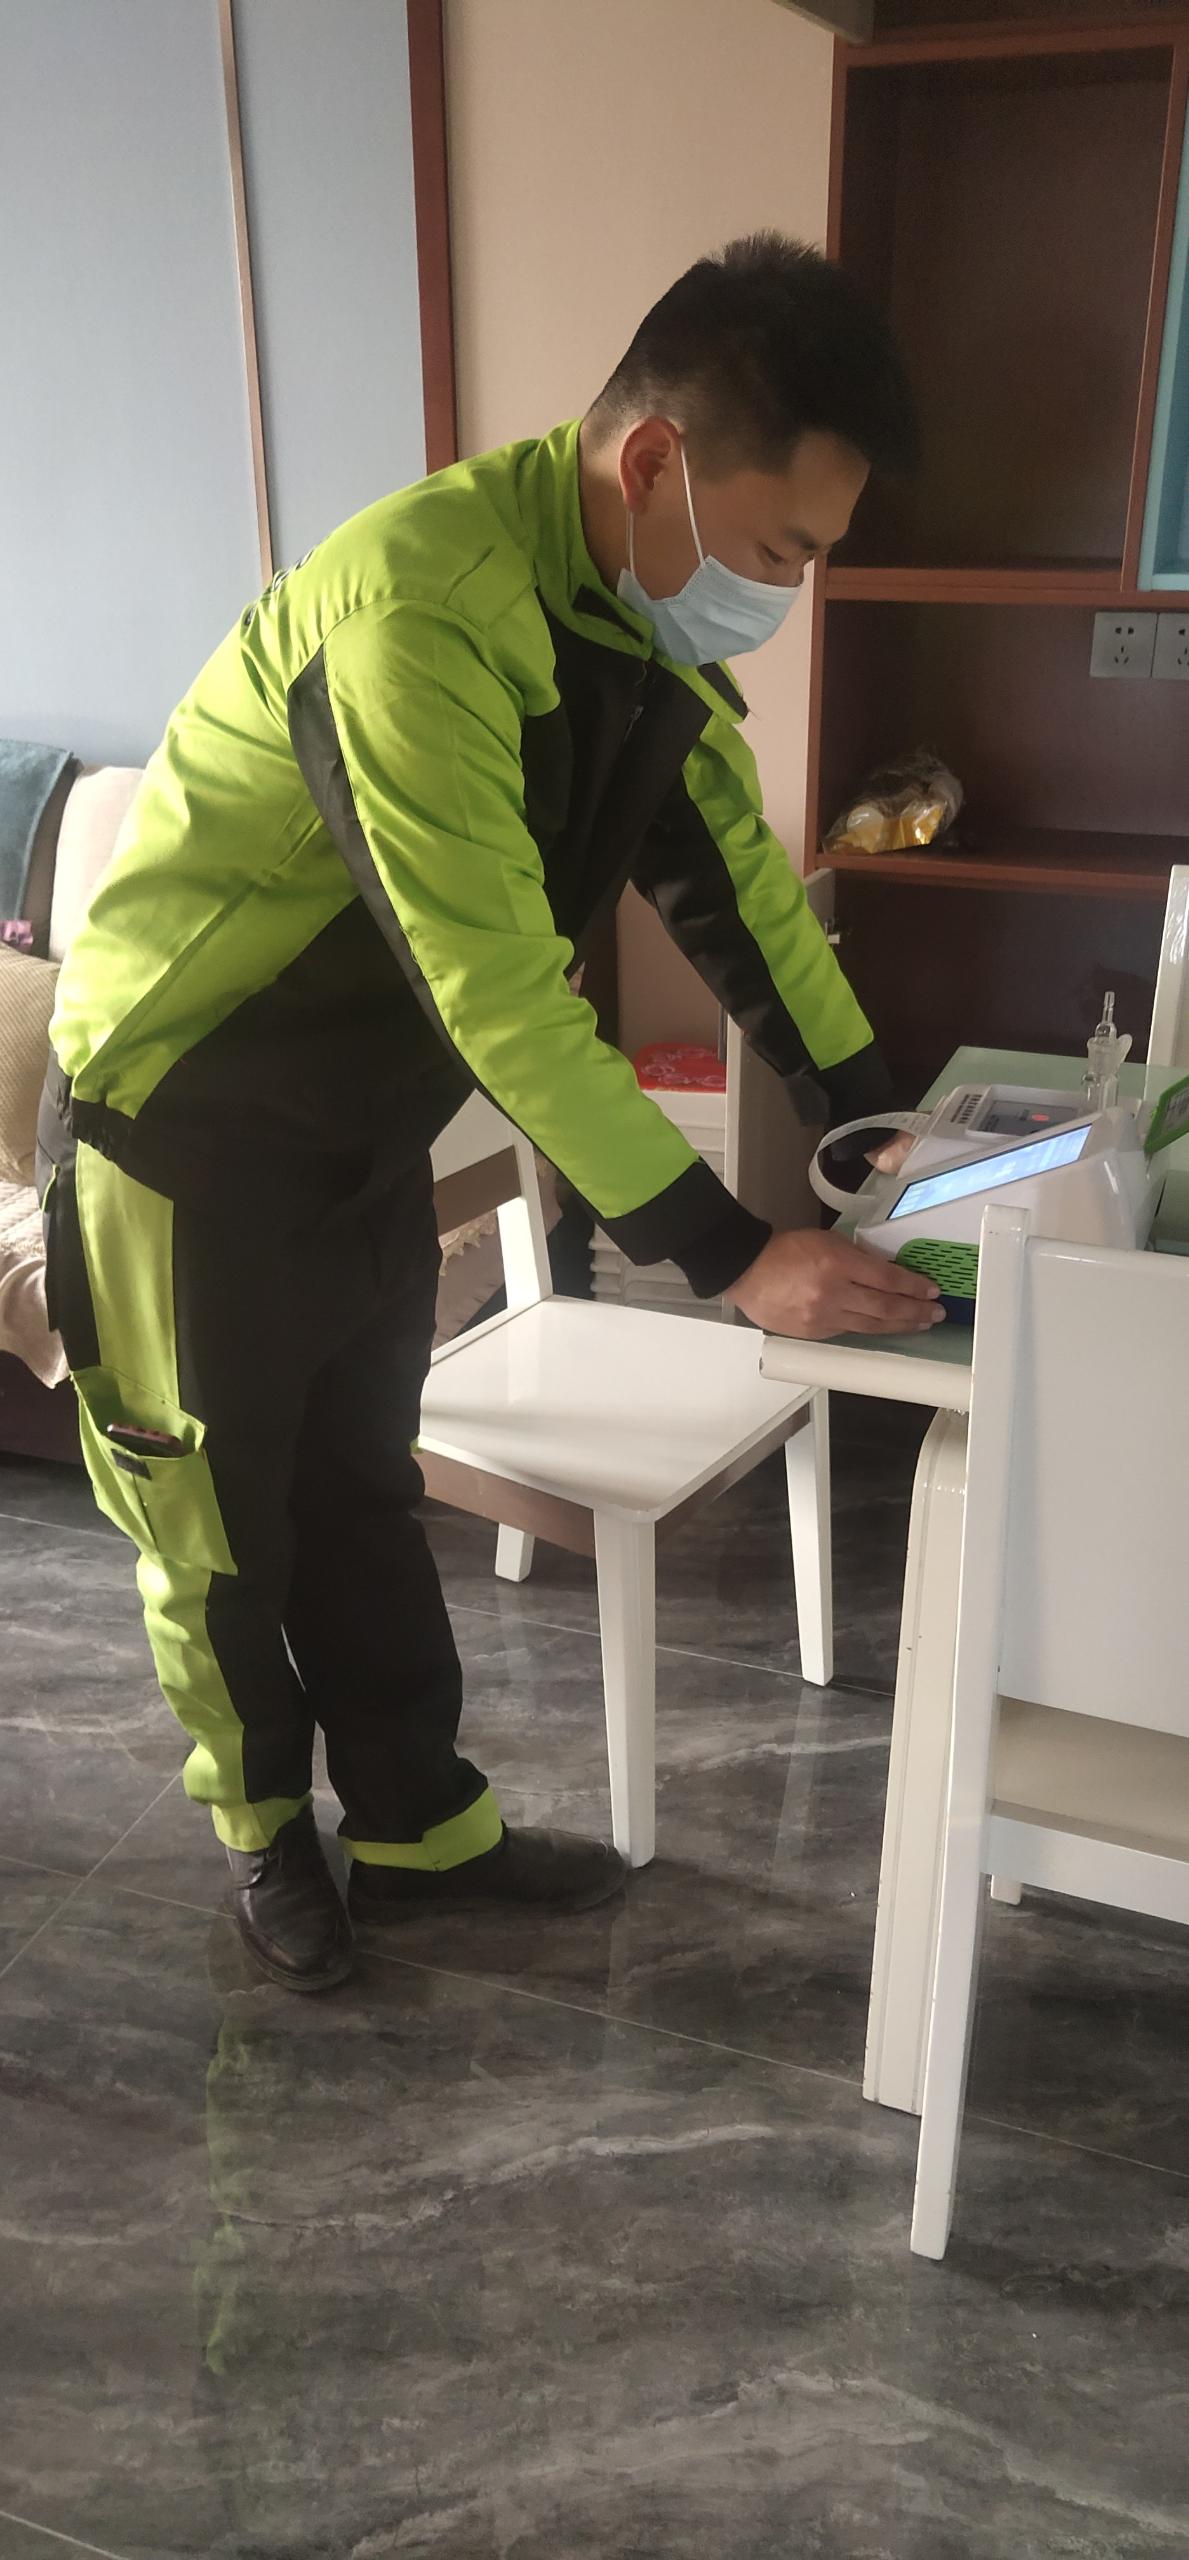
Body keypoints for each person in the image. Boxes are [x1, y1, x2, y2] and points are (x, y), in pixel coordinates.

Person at [39, 232, 940, 1995]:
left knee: (359, 1496)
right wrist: (731, 1252)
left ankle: (419, 1830)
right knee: (218, 1531)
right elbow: (500, 993)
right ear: (656, 461)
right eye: (780, 552)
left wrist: (869, 1116)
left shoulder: (622, 617)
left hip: (356, 1129)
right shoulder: (417, 611)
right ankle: (261, 1833)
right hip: (183, 1129)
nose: (783, 592)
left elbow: (733, 877)